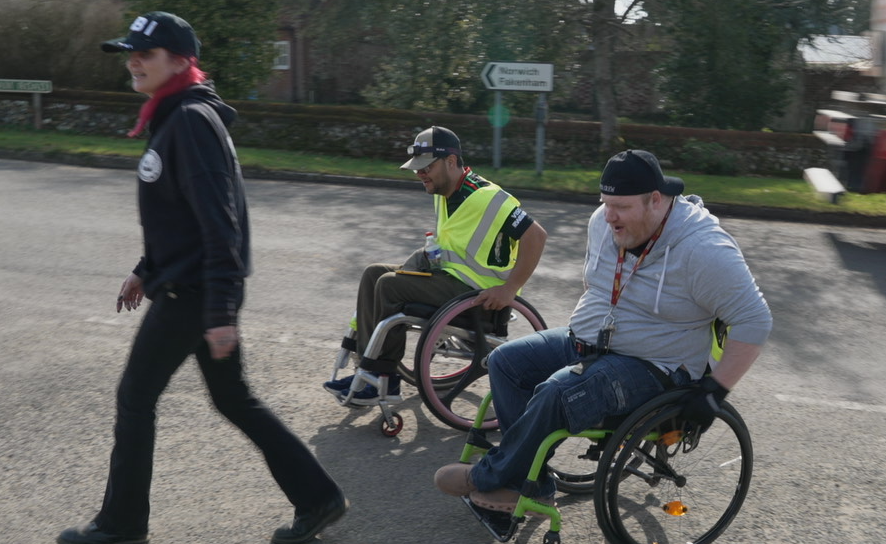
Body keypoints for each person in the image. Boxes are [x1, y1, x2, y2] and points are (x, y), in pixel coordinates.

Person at [58, 12, 345, 544]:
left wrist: (219, 313)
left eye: (145, 53)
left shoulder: (190, 121)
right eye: (131, 52)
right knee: (234, 399)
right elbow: (180, 218)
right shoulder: (175, 115)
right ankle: (319, 498)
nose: (133, 61)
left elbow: (222, 225)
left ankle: (121, 527)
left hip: (193, 295)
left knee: (134, 398)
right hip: (186, 285)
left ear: (180, 61)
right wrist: (146, 269)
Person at [434, 149, 773, 513]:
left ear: (655, 201)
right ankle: (531, 484)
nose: (609, 216)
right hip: (590, 343)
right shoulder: (603, 222)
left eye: (622, 207)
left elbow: (755, 319)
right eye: (605, 203)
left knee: (557, 393)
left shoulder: (703, 249)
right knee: (505, 361)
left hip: (653, 365)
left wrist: (714, 390)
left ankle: (489, 477)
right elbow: (599, 285)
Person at [323, 126, 548, 404]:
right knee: (374, 273)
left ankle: (383, 379)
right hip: (451, 280)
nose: (420, 173)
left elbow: (536, 236)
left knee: (390, 286)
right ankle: (368, 366)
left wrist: (510, 289)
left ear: (451, 162)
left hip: (479, 295)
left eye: (426, 167)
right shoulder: (447, 193)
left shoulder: (487, 197)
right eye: (416, 168)